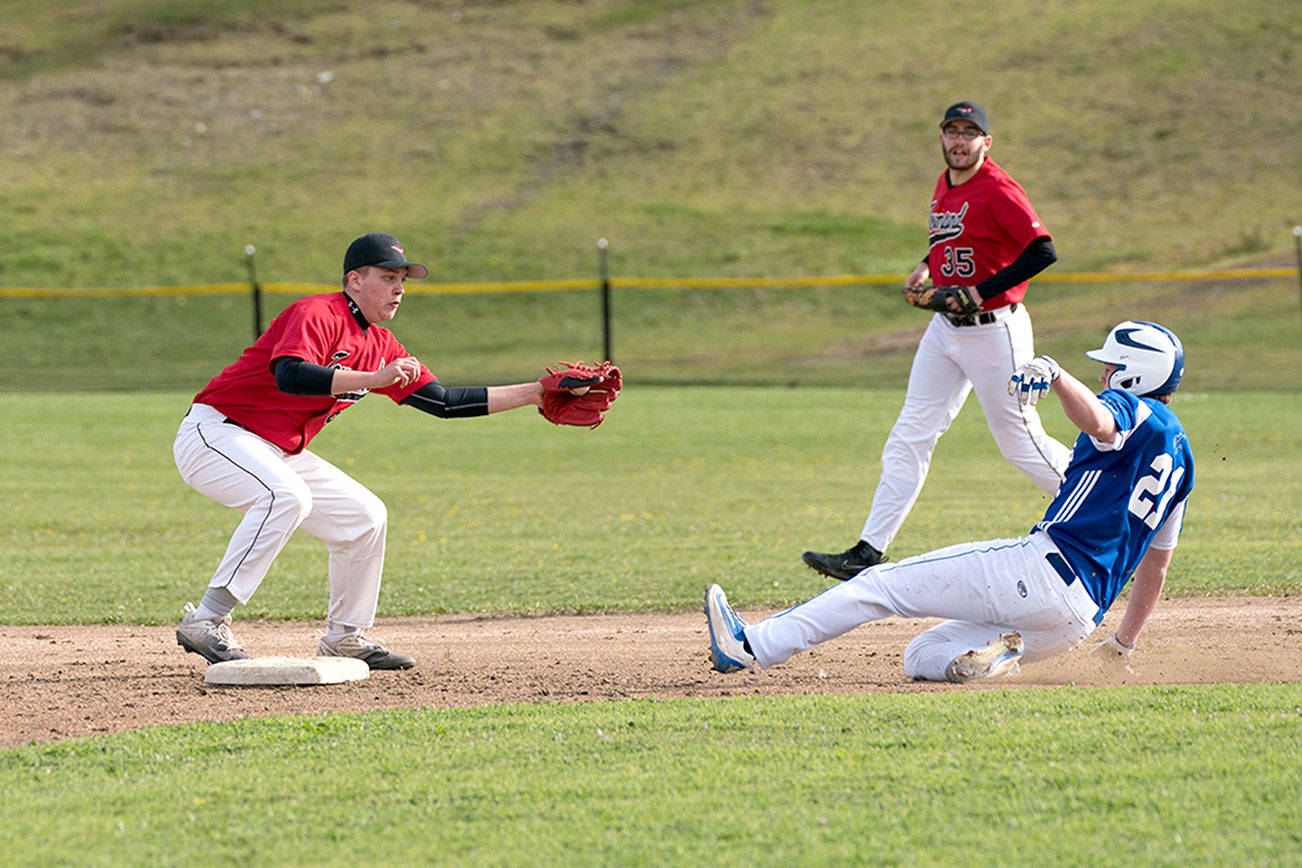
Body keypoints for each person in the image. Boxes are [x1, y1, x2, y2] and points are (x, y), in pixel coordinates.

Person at [173, 232, 619, 670]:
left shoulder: (382, 346)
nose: (400, 289)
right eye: (388, 277)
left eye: (403, 279)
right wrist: (373, 379)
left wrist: (536, 393)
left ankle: (345, 637)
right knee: (286, 496)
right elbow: (290, 374)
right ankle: (207, 619)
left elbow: (443, 402)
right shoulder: (316, 313)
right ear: (354, 281)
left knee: (364, 517)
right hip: (216, 432)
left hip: (275, 449)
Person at [709, 321, 1192, 682]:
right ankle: (991, 663)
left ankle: (752, 646)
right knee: (923, 655)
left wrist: (1059, 376)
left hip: (1043, 571)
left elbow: (1102, 424)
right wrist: (1124, 643)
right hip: (1078, 618)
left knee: (877, 584)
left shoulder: (1133, 408)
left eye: (1111, 366)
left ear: (1133, 374)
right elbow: (1157, 568)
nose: (1105, 373)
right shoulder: (1183, 459)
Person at [803, 100, 1073, 581]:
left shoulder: (998, 188)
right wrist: (926, 267)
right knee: (911, 434)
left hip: (996, 332)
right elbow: (948, 240)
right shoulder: (946, 184)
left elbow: (1043, 251)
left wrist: (979, 292)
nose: (959, 140)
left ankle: (1108, 519)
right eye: (952, 130)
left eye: (970, 132)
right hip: (945, 331)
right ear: (942, 138)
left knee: (1020, 443)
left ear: (986, 143)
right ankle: (868, 550)